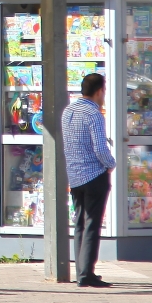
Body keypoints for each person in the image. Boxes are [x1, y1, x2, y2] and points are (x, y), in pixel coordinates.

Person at [62, 73, 117, 288]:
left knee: (79, 223)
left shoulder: (68, 111)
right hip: (94, 175)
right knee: (93, 224)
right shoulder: (94, 114)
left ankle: (80, 271)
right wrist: (111, 164)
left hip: (75, 175)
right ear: (99, 91)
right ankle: (87, 274)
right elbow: (100, 148)